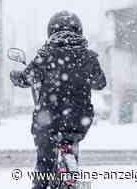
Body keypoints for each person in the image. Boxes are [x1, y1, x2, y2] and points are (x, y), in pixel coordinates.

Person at [10, 10, 106, 189]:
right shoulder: (89, 56)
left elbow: (27, 78)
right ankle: (72, 174)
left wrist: (16, 76)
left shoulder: (46, 55)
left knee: (44, 162)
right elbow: (100, 83)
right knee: (71, 143)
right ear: (79, 30)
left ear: (50, 31)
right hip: (80, 118)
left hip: (49, 119)